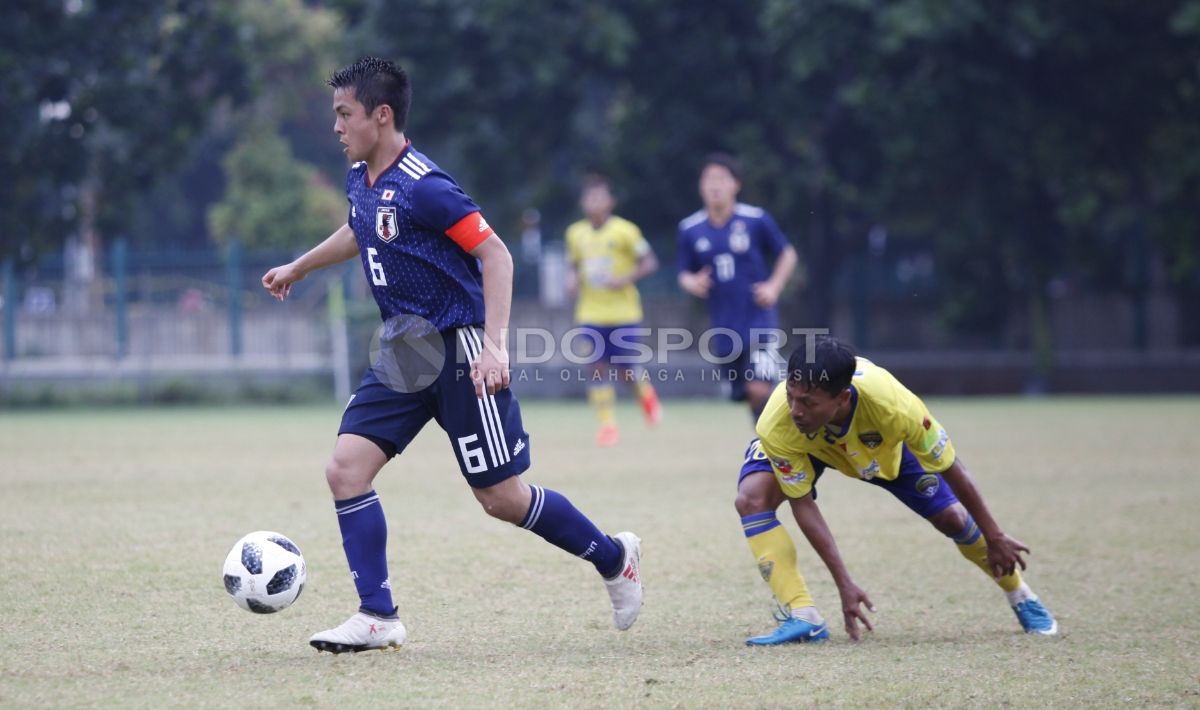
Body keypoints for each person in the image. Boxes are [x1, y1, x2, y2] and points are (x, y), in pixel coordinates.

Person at [261, 57, 642, 654]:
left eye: (344, 114)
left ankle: (614, 557)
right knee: (345, 470)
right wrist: (300, 266)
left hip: (460, 347)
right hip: (403, 349)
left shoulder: (427, 186)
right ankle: (377, 615)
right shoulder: (362, 175)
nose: (336, 127)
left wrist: (494, 346)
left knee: (503, 499)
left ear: (380, 116)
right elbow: (361, 228)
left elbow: (497, 257)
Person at [736, 335, 1058, 645]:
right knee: (751, 499)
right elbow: (802, 503)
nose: (795, 409)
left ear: (842, 398)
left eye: (807, 402)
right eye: (790, 395)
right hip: (808, 447)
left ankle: (1021, 595)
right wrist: (844, 583)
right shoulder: (780, 421)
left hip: (881, 451)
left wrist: (995, 536)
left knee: (953, 519)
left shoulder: (893, 406)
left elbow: (950, 466)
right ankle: (803, 614)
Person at [677, 153, 798, 420]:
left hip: (759, 319)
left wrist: (774, 287)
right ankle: (768, 443)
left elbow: (787, 254)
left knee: (758, 388)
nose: (715, 185)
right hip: (723, 325)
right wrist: (693, 282)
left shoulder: (755, 220)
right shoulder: (690, 228)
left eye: (721, 178)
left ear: (736, 185)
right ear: (700, 186)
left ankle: (777, 449)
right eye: (709, 179)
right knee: (745, 393)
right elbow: (682, 273)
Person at [564, 174, 662, 447]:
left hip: (624, 313)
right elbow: (573, 265)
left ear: (610, 201)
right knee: (596, 367)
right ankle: (607, 425)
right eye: (589, 197)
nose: (594, 202)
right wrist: (571, 279)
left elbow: (650, 262)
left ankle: (647, 396)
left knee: (625, 368)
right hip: (590, 313)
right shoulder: (575, 234)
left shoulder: (625, 231)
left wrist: (625, 278)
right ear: (584, 202)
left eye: (600, 196)